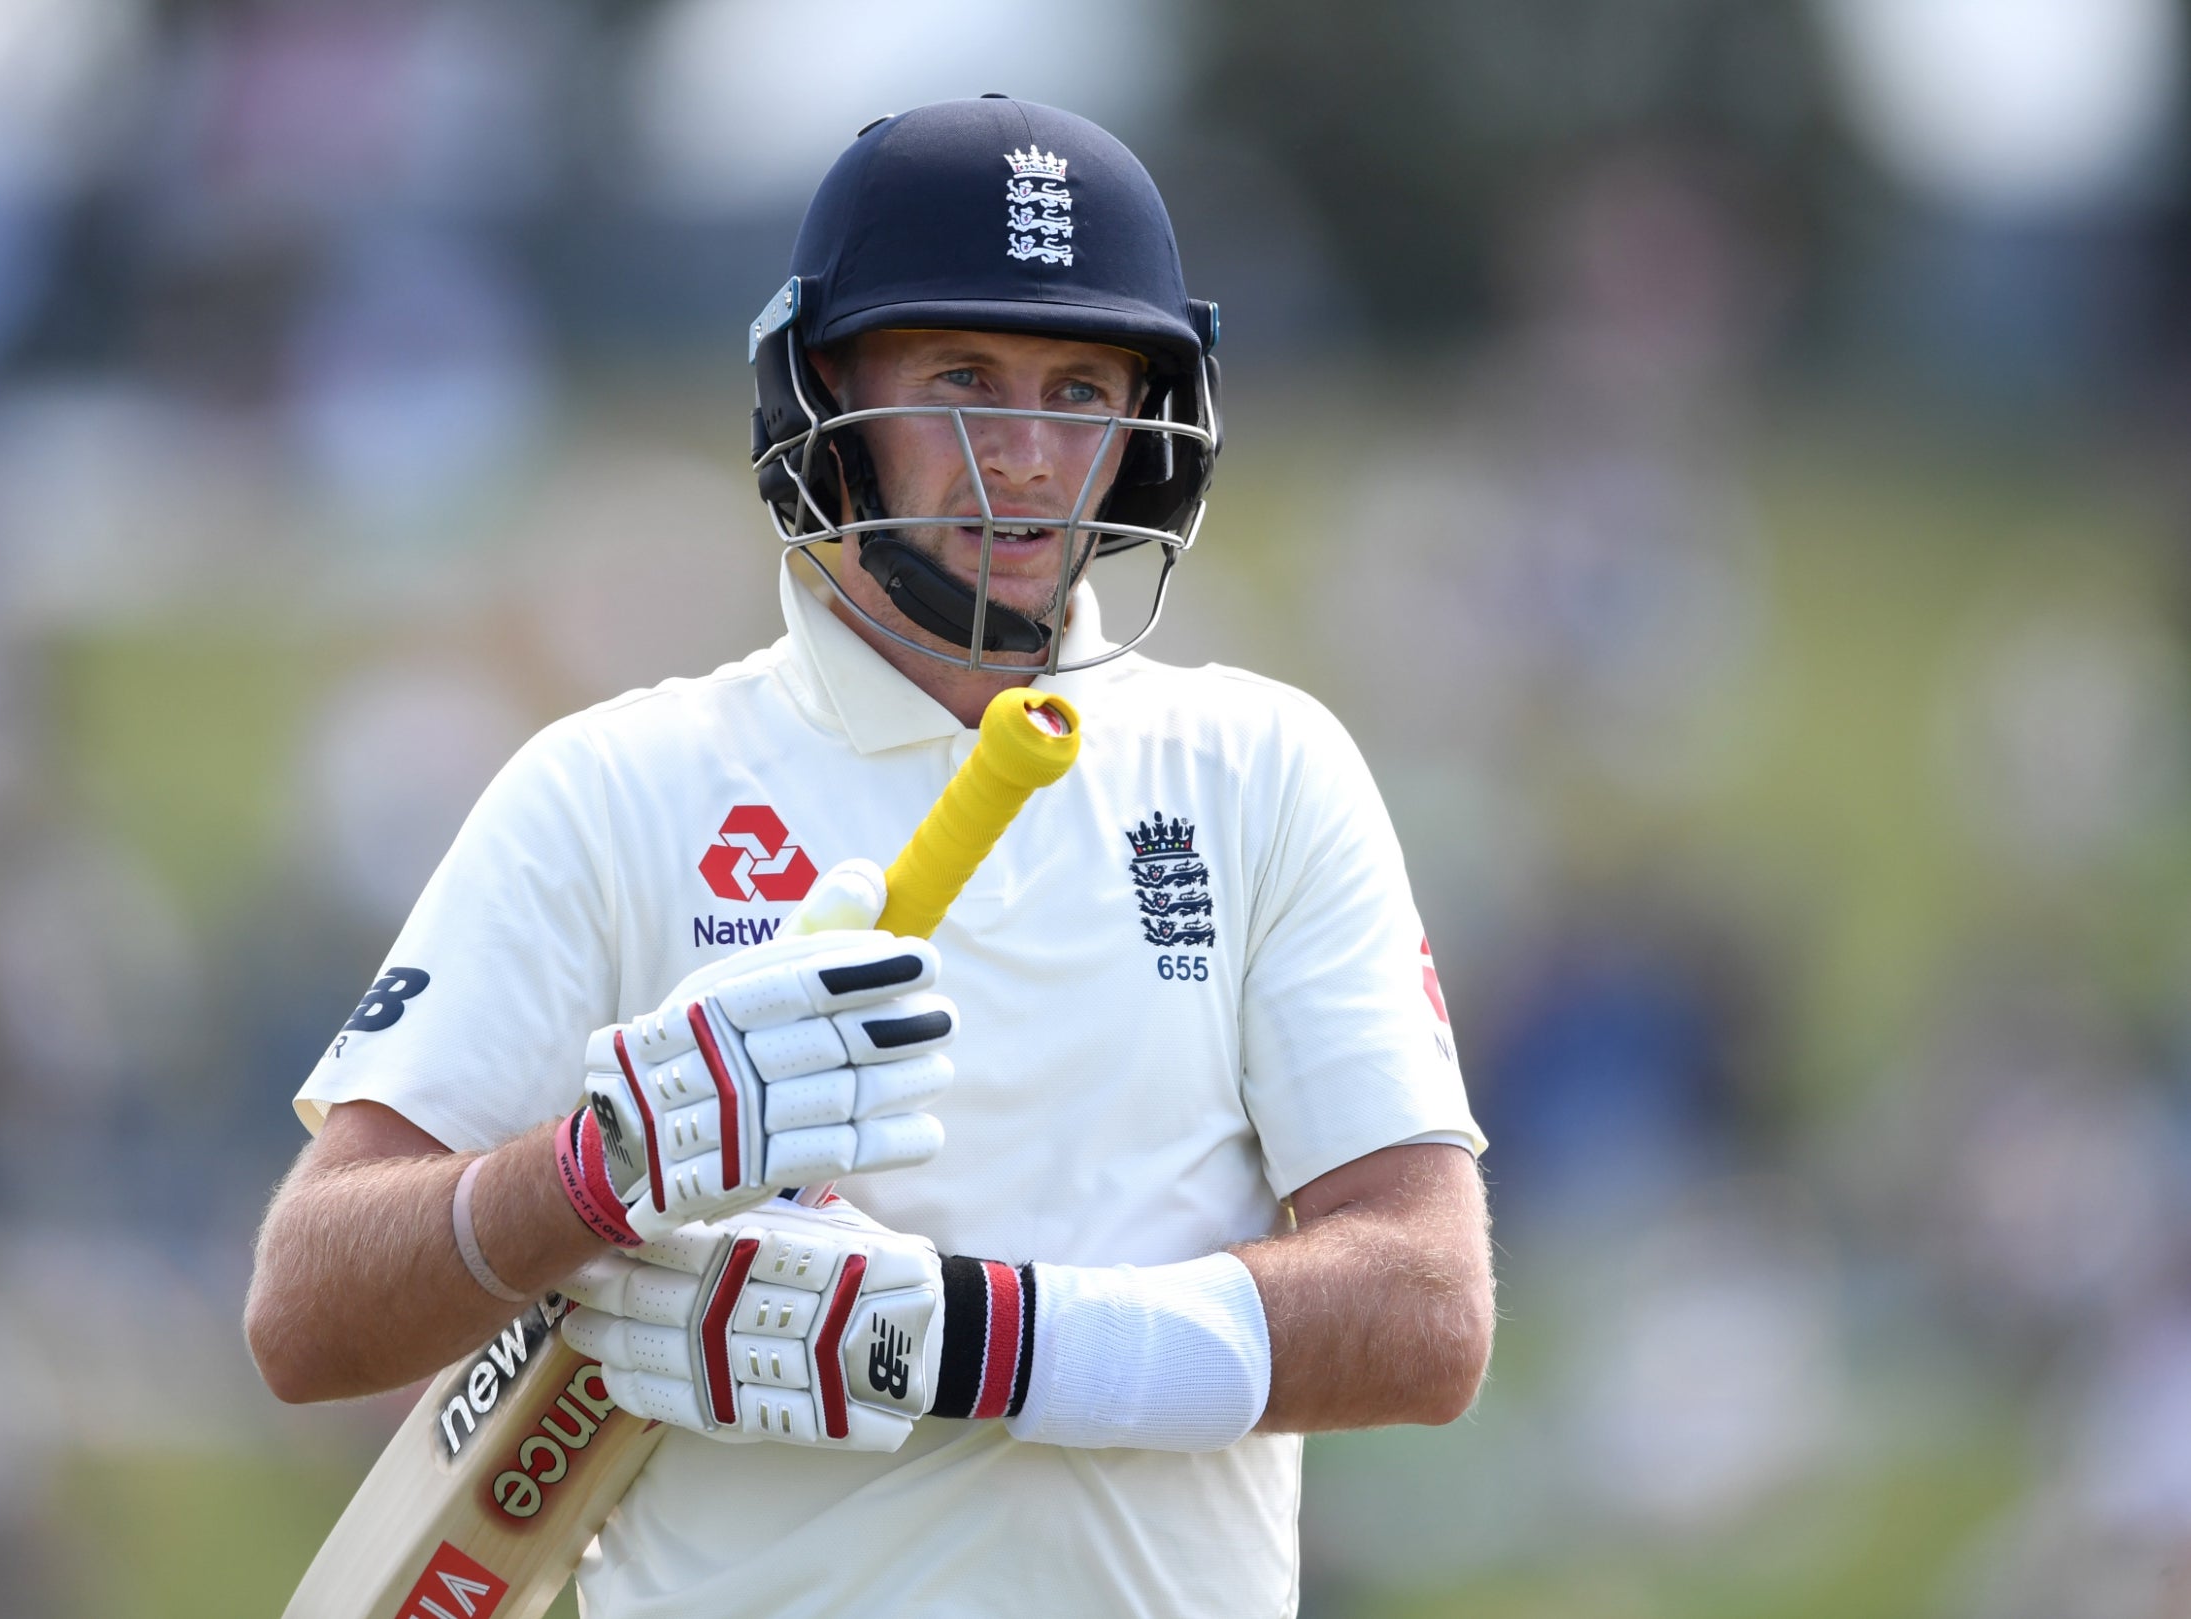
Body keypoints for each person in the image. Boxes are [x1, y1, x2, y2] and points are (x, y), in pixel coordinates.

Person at [246, 97, 1492, 1617]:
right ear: (822, 392)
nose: (1030, 458)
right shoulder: (618, 787)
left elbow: (1429, 1316)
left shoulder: (1257, 769)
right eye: (964, 381)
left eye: (1083, 386)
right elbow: (307, 1314)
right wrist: (589, 1175)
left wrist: (961, 1344)